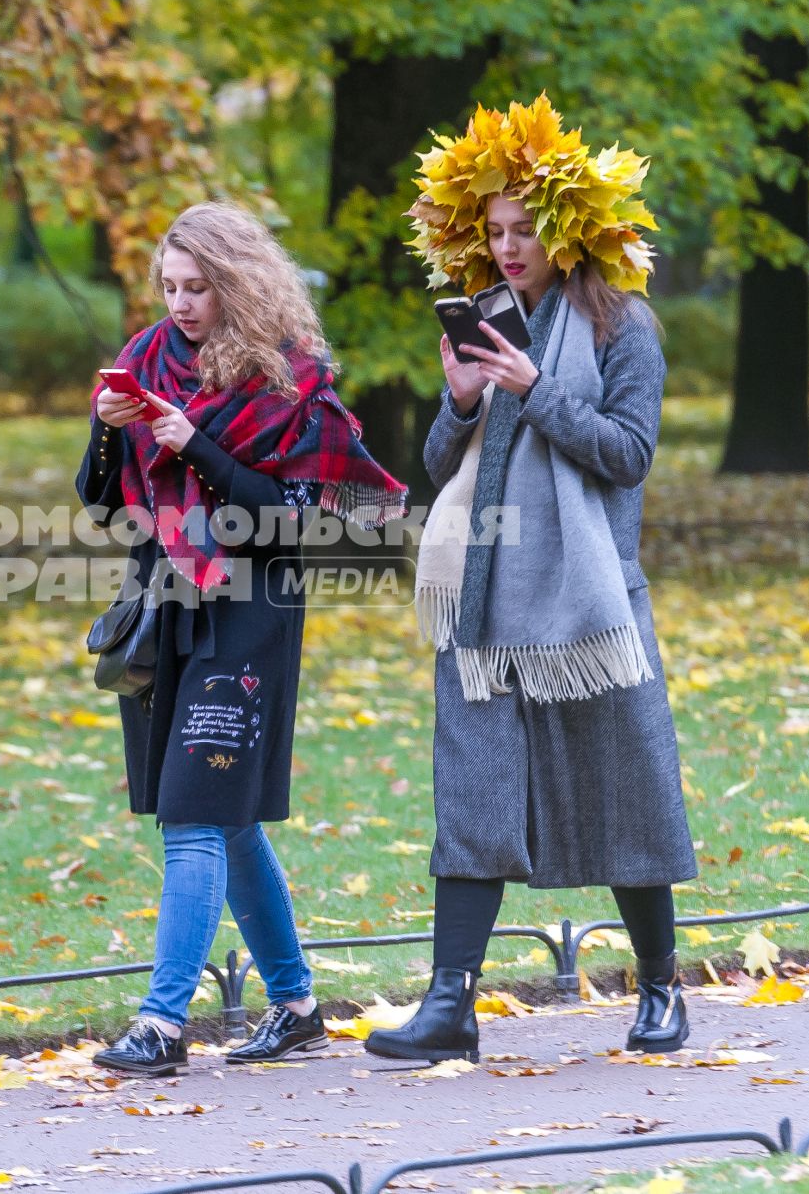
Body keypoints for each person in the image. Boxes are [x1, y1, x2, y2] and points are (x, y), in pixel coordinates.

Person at [369, 95, 697, 1063]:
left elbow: (627, 453)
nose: (506, 247)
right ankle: (449, 1004)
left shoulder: (623, 325)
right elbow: (441, 463)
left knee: (625, 786)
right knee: (474, 790)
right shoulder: (491, 321)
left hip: (589, 603)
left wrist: (531, 388)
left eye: (525, 230)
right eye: (494, 230)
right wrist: (466, 400)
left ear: (567, 231)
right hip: (481, 599)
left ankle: (663, 987)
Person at [76, 201, 409, 1075]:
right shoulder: (148, 360)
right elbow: (102, 500)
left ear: (236, 282)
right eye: (170, 286)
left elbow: (297, 518)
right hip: (165, 603)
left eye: (198, 288)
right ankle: (296, 1006)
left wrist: (199, 449)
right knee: (224, 820)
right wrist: (110, 432)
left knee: (192, 814)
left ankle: (161, 1022)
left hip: (252, 608)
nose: (180, 304)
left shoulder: (290, 380)